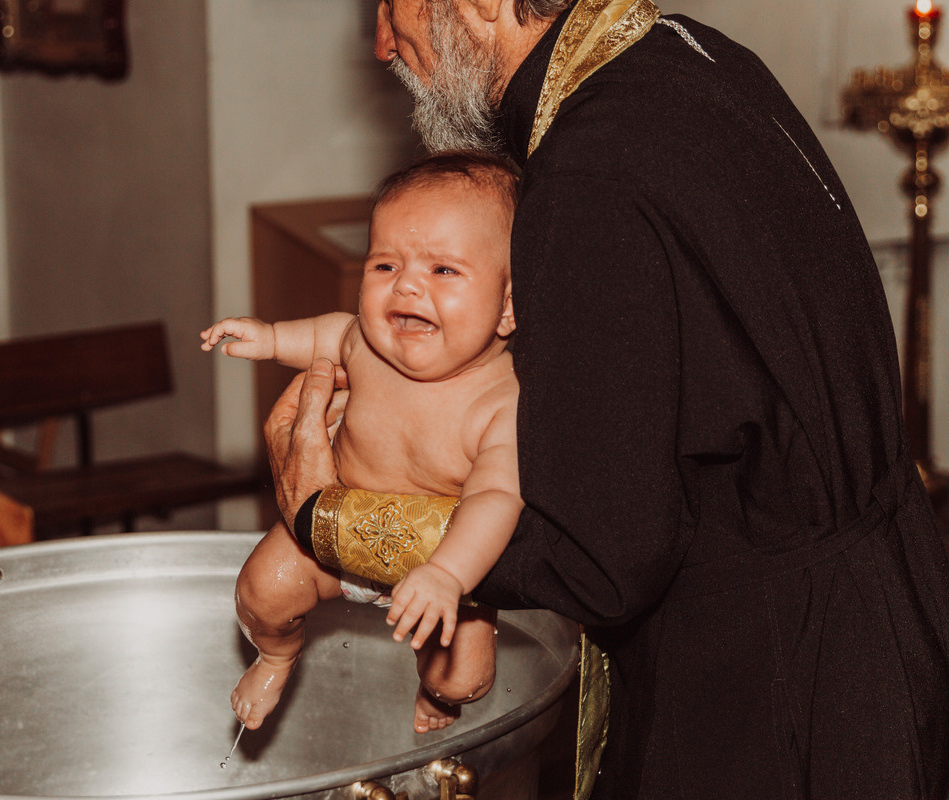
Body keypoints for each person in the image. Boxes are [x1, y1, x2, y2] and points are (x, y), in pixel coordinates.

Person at [264, 1, 949, 798]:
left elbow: (597, 557)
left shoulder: (585, 175)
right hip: (876, 616)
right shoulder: (684, 53)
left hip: (763, 699)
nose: (384, 41)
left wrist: (331, 517)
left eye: (392, 2)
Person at [202, 151, 522, 734]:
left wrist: (449, 575)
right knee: (260, 592)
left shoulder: (501, 401)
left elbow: (497, 498)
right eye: (385, 265)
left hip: (440, 564)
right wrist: (269, 338)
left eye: (443, 270)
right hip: (328, 540)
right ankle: (276, 656)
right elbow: (326, 333)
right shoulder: (364, 344)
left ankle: (438, 694)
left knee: (463, 678)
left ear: (508, 306)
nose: (407, 285)